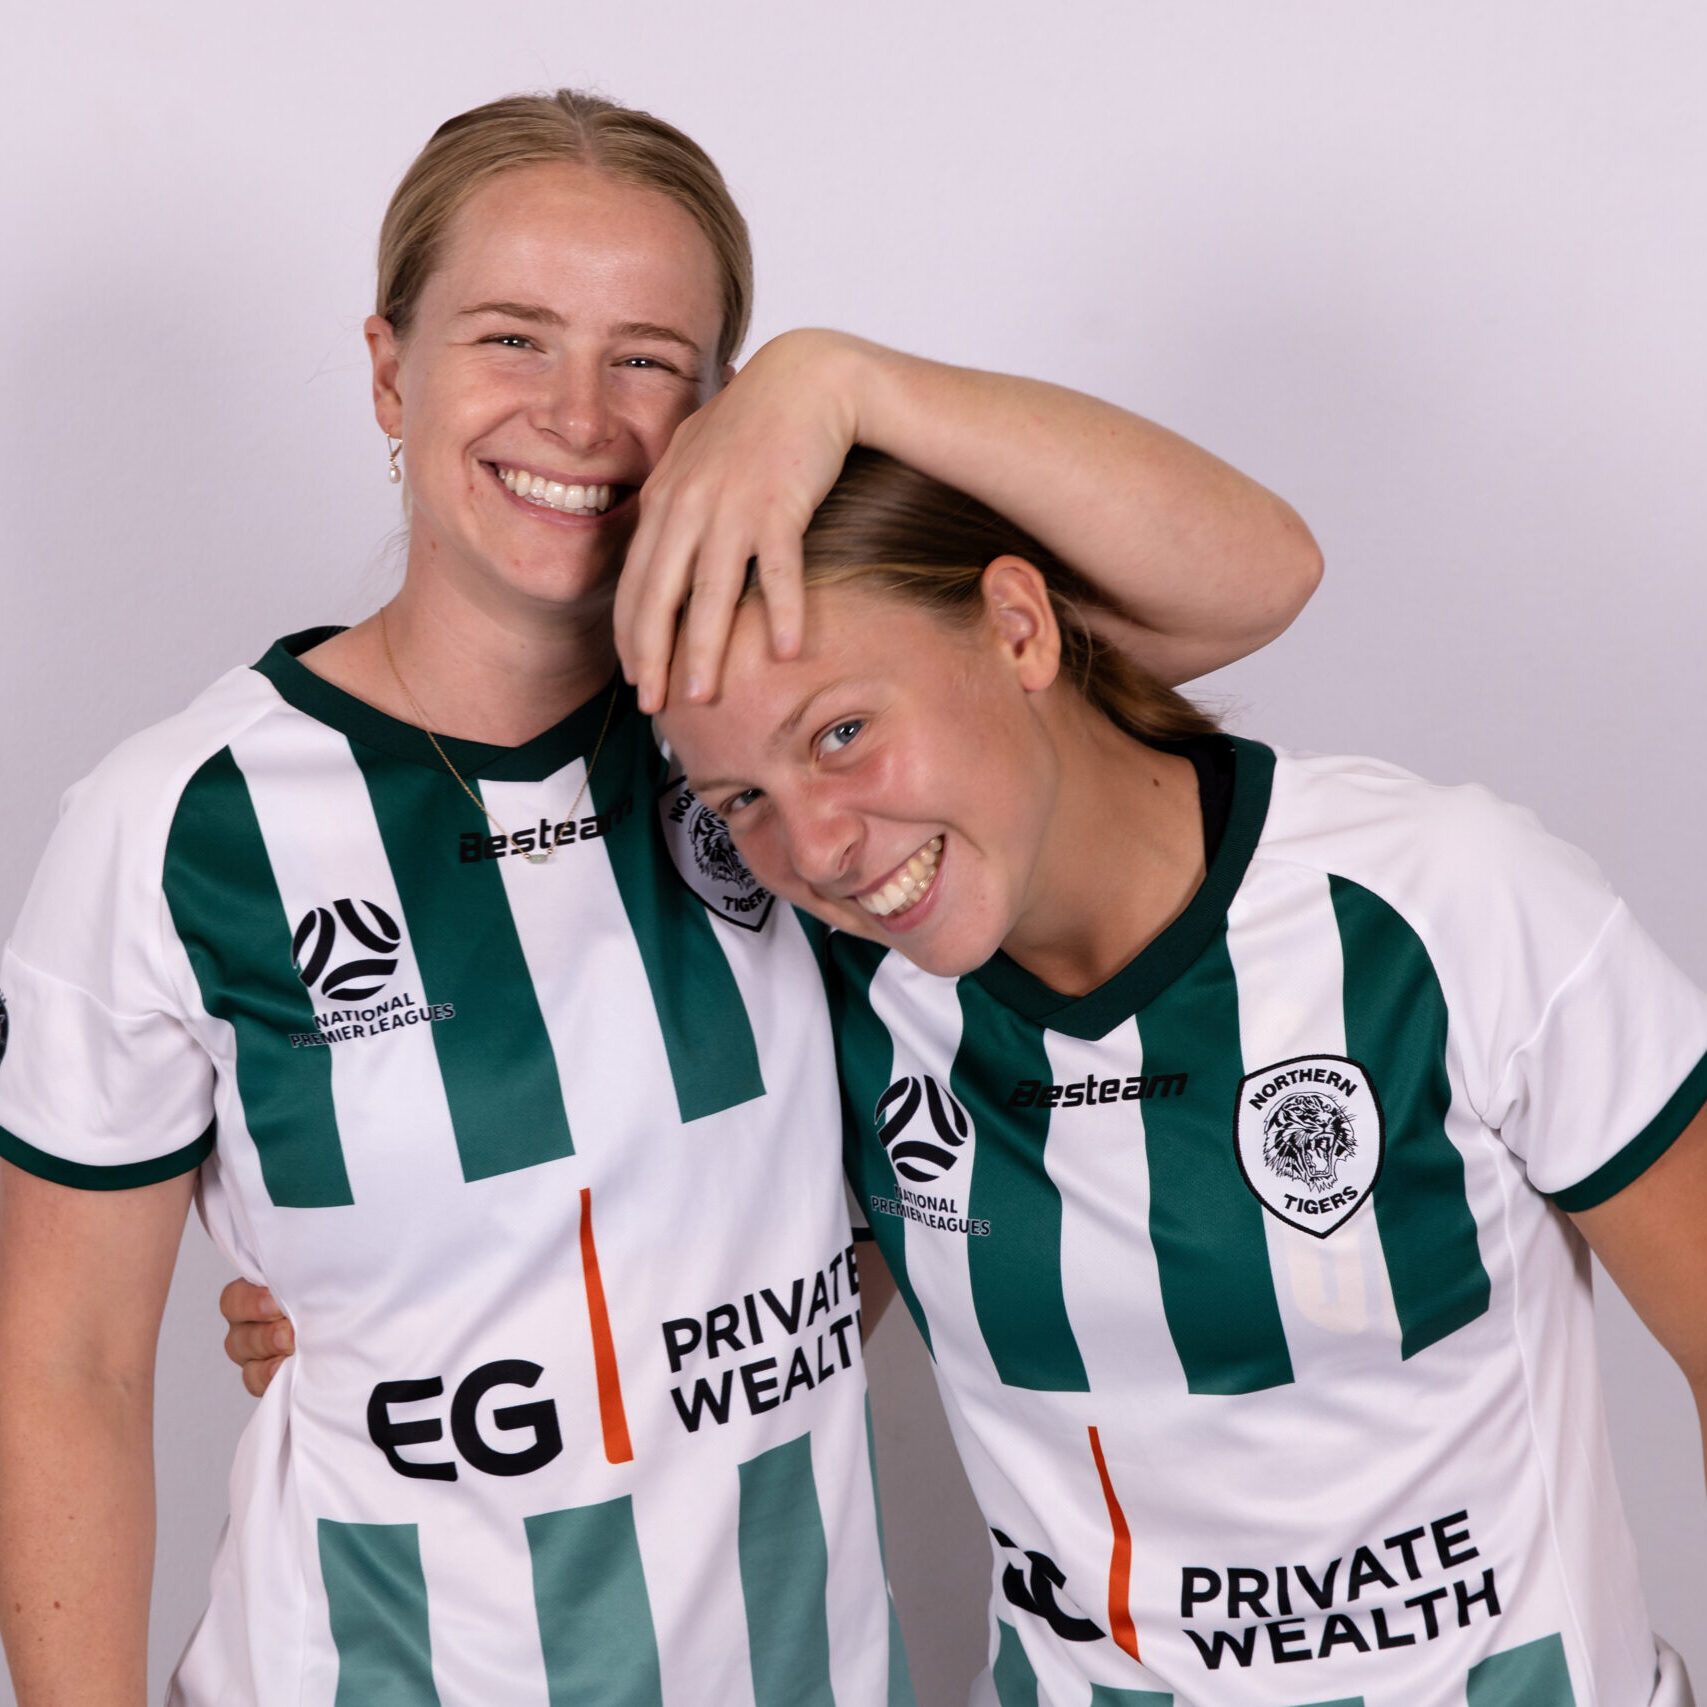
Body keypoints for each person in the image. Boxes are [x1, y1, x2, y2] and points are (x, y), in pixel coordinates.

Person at [0, 89, 1321, 1707]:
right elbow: (66, 1363)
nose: (576, 414)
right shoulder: (181, 825)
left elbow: (1249, 578)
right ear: (385, 370)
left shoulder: (811, 735)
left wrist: (843, 382)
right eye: (511, 338)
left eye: (649, 359)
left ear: (719, 412)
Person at [647, 450, 1707, 1704]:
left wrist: (836, 381)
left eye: (842, 731)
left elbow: (1266, 566)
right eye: (741, 799)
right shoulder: (841, 989)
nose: (815, 845)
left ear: (1018, 624)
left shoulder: (1440, 901)